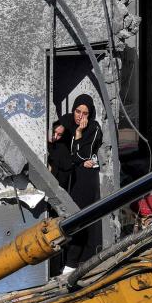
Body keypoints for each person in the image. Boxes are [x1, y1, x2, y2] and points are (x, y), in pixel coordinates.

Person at [48, 94, 103, 269]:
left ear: (90, 114)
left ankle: (72, 263)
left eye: (85, 113)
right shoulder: (68, 122)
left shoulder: (94, 129)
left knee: (79, 218)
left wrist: (78, 134)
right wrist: (60, 129)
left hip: (84, 180)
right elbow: (61, 127)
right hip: (67, 179)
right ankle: (59, 263)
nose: (80, 116)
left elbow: (83, 155)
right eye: (77, 111)